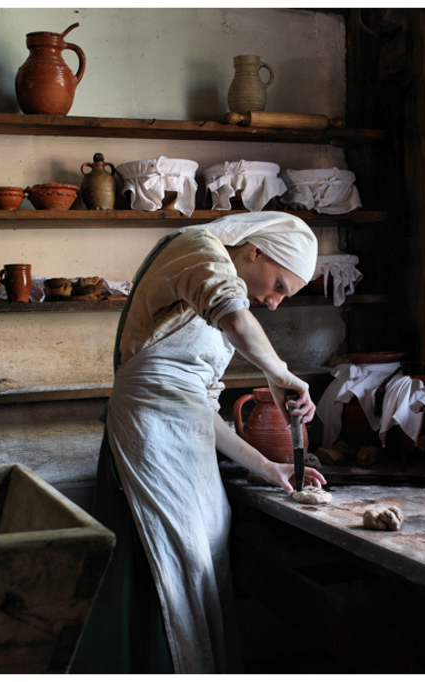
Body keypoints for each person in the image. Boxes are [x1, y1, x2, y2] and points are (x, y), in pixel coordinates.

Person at [70, 211, 327, 675]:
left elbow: (203, 412)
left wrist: (270, 468)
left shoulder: (226, 311)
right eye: (280, 286)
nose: (273, 303)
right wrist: (279, 372)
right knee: (169, 561)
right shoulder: (198, 251)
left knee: (206, 556)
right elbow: (234, 314)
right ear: (255, 251)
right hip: (147, 436)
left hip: (187, 444)